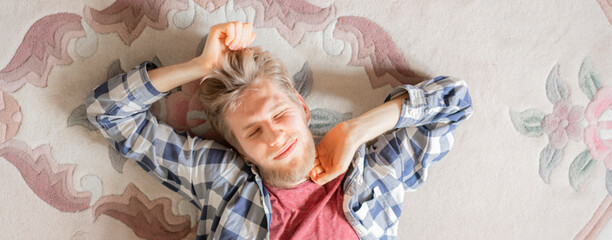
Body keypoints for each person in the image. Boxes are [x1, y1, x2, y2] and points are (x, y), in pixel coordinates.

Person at [86, 21, 473, 240]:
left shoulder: (375, 173)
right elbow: (107, 113)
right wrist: (198, 67)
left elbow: (455, 101)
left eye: (280, 115)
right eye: (253, 133)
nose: (274, 137)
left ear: (303, 108)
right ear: (239, 149)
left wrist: (356, 129)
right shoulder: (221, 179)